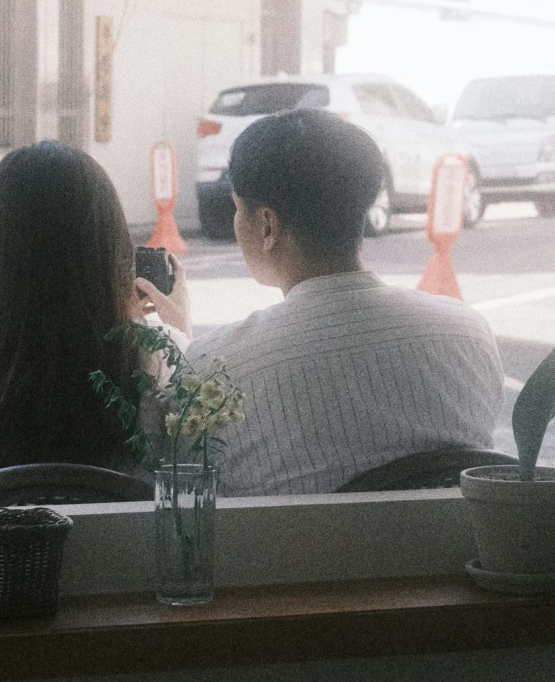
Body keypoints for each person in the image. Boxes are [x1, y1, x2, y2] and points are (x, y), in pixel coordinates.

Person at [196, 107, 504, 494]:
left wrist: (171, 346)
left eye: (238, 210)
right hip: (450, 553)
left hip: (299, 556)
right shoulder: (469, 333)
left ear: (267, 225)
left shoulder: (212, 369)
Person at [0, 141, 189, 499]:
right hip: (123, 555)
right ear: (110, 253)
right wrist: (176, 335)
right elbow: (189, 481)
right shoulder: (154, 357)